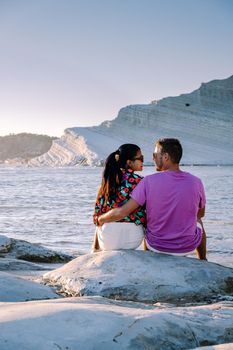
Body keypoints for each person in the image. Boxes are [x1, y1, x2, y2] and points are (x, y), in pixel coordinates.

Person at [98, 138, 207, 260]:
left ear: (165, 157)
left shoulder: (148, 181)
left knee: (147, 220)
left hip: (156, 246)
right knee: (198, 221)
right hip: (188, 247)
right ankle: (203, 259)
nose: (153, 158)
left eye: (155, 155)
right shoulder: (196, 182)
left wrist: (101, 218)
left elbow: (123, 212)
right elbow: (200, 214)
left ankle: (149, 258)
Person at [92, 143, 146, 252]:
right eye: (140, 158)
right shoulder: (141, 182)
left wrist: (100, 220)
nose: (143, 161)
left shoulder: (107, 183)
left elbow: (97, 214)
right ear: (129, 162)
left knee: (100, 217)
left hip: (108, 239)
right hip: (134, 238)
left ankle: (95, 249)